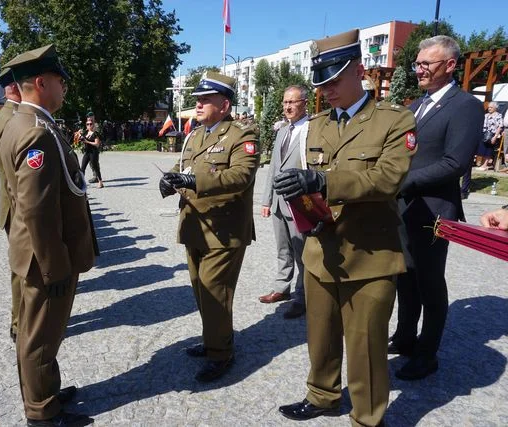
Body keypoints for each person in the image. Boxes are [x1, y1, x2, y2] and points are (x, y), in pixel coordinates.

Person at [274, 29, 416, 426]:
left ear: (360, 70)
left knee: (366, 345)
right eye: (321, 83)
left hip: (370, 253)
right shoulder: (317, 125)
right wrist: (299, 189)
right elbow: (312, 177)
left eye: (335, 80)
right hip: (322, 250)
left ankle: (367, 416)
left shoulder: (394, 119)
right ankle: (321, 395)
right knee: (320, 336)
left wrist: (324, 182)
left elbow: (389, 179)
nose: (328, 90)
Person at [0, 44, 97, 426]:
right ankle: (41, 413)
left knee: (44, 332)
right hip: (45, 257)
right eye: (61, 82)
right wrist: (56, 265)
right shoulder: (35, 132)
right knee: (39, 337)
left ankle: (47, 391)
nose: (65, 89)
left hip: (37, 252)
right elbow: (37, 210)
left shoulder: (25, 123)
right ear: (41, 82)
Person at [390, 35, 484, 381]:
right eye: (417, 64)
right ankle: (404, 336)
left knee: (430, 282)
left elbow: (455, 162)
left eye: (426, 64)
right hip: (405, 206)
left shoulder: (465, 106)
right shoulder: (416, 106)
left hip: (434, 211)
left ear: (449, 65)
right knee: (405, 276)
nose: (419, 70)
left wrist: (405, 182)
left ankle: (427, 353)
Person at [159, 71, 260, 382]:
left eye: (205, 100)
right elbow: (183, 166)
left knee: (215, 292)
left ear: (225, 104)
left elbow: (241, 177)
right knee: (201, 291)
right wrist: (170, 178)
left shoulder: (242, 135)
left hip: (223, 230)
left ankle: (221, 354)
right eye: (198, 100)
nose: (198, 105)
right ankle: (213, 339)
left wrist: (193, 181)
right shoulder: (196, 135)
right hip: (194, 227)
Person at [258, 85, 309, 319]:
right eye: (285, 102)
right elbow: (273, 169)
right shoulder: (281, 131)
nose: (288, 106)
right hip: (278, 202)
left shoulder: (312, 129)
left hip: (299, 203)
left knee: (302, 252)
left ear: (304, 103)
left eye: (293, 102)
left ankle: (303, 296)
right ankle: (281, 287)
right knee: (282, 249)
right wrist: (266, 199)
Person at [0, 67, 22, 343]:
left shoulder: (6, 115)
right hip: (17, 207)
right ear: (16, 87)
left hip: (11, 204)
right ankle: (20, 323)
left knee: (21, 268)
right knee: (23, 270)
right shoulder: (12, 119)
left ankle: (20, 321)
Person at [475, 101, 503, 170]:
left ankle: (485, 165)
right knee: (482, 149)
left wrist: (495, 136)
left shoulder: (498, 116)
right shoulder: (486, 115)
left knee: (488, 149)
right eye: (488, 107)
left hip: (492, 134)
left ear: (495, 108)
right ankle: (481, 164)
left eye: (491, 107)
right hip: (484, 134)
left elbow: (500, 126)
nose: (489, 109)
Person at [80, 114, 104, 188]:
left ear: (93, 125)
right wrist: (79, 137)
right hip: (87, 152)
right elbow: (81, 140)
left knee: (95, 166)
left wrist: (87, 141)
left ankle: (100, 182)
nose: (89, 125)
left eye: (91, 124)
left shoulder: (95, 133)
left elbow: (97, 144)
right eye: (87, 124)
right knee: (82, 167)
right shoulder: (85, 133)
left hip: (93, 152)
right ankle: (81, 182)